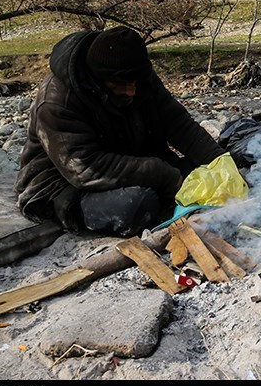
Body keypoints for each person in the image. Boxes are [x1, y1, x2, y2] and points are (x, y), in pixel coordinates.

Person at [14, 26, 231, 237]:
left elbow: (179, 124)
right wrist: (163, 174)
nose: (131, 91)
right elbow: (85, 168)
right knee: (137, 205)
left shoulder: (136, 74)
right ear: (98, 78)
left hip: (130, 161)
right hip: (64, 185)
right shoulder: (56, 101)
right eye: (120, 84)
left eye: (134, 83)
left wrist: (223, 164)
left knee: (205, 172)